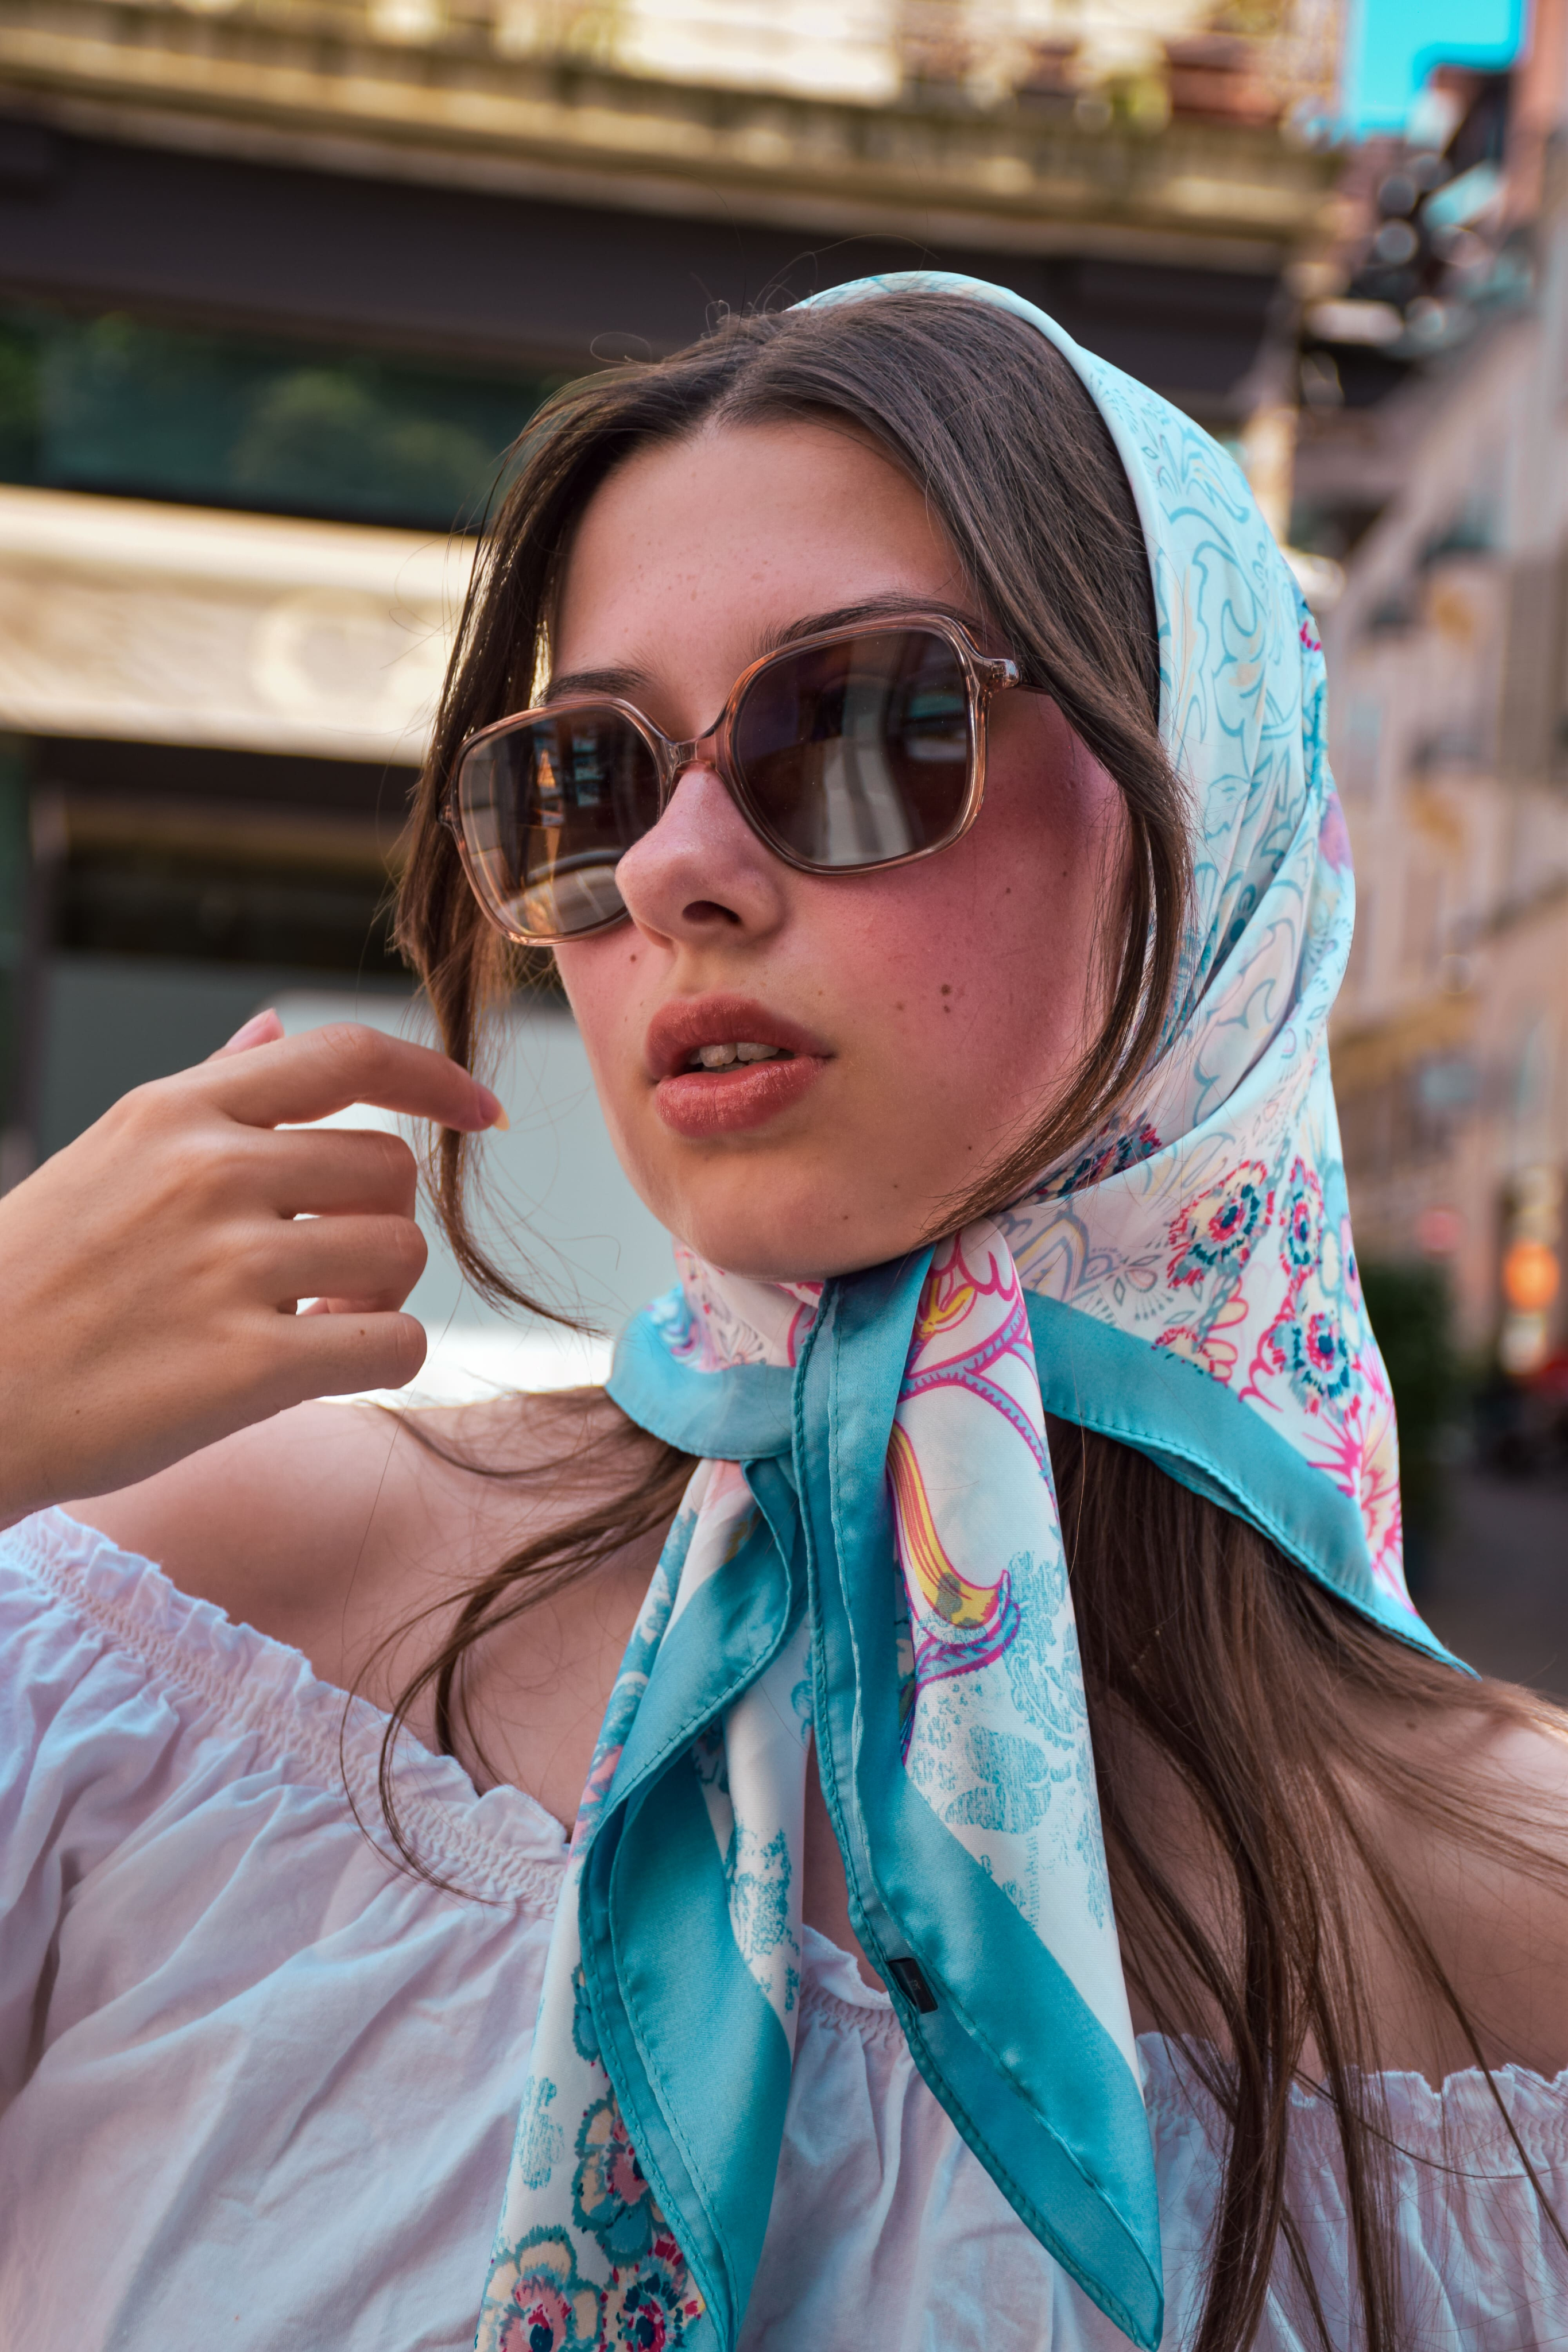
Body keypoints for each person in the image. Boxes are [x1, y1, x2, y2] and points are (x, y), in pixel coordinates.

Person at [0, 274, 1564, 2352]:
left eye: (863, 722)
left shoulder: (1514, 1945)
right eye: (585, 777)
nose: (673, 873)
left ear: (1218, 789)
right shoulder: (181, 1634)